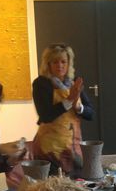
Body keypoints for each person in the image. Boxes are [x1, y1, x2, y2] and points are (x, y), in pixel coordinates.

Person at [32, 43, 94, 175]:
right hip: (49, 147)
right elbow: (45, 115)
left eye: (63, 61)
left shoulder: (74, 82)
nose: (59, 65)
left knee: (77, 181)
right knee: (54, 184)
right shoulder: (41, 83)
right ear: (48, 64)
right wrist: (69, 100)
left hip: (72, 145)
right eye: (55, 62)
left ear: (68, 63)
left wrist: (78, 107)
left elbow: (90, 113)